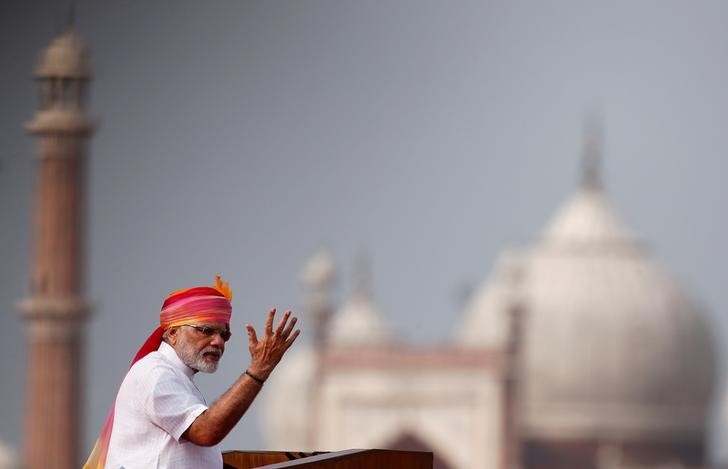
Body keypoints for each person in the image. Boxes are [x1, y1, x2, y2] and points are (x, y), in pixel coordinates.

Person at [83, 276, 299, 468]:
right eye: (206, 331)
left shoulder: (177, 377)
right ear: (174, 333)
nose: (218, 341)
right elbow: (206, 431)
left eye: (224, 335)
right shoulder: (156, 374)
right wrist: (257, 371)